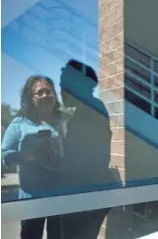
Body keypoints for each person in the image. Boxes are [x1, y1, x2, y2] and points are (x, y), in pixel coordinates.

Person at [1, 76, 66, 239]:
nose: (45, 95)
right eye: (39, 93)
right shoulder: (19, 123)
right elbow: (3, 154)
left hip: (64, 195)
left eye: (48, 91)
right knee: (31, 235)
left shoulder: (66, 120)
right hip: (31, 197)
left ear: (54, 95)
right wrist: (22, 156)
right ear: (31, 98)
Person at [59, 59, 117, 238]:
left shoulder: (91, 112)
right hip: (86, 193)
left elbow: (86, 160)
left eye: (64, 84)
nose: (61, 90)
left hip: (86, 194)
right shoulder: (84, 111)